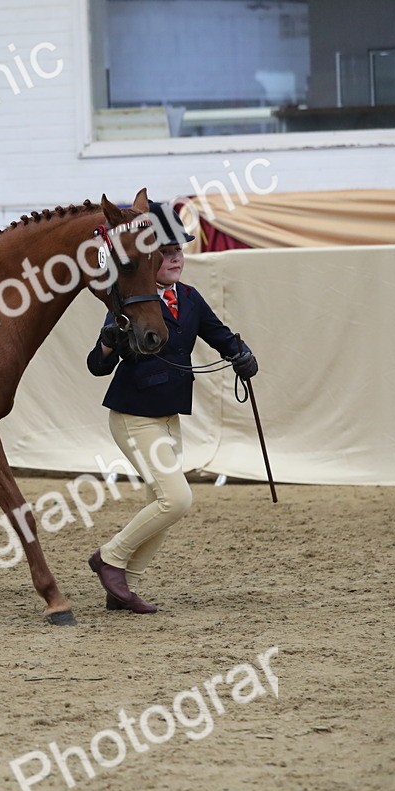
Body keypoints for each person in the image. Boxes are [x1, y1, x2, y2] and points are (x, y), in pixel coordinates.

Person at [85, 201, 258, 613]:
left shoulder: (191, 298)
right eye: (165, 252)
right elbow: (97, 365)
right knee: (176, 499)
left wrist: (241, 353)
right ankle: (109, 558)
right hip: (133, 416)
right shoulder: (131, 302)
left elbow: (218, 334)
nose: (175, 257)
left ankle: (123, 584)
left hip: (170, 415)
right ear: (148, 260)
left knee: (162, 503)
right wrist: (111, 338)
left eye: (179, 250)